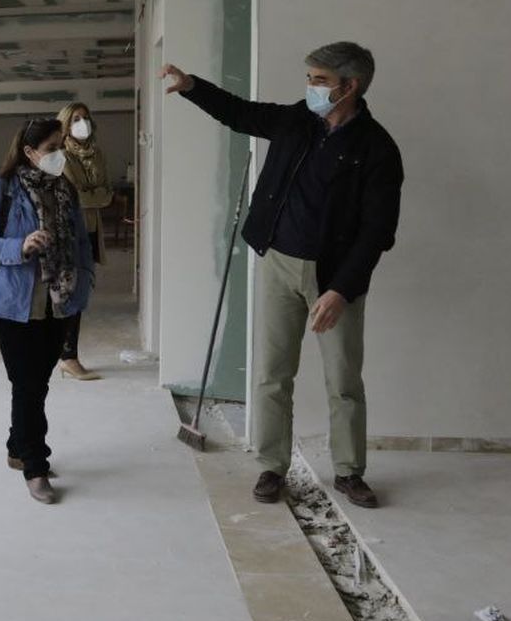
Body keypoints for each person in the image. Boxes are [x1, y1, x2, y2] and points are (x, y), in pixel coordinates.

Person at [162, 43, 402, 509]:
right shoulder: (296, 121)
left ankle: (350, 473)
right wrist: (192, 87)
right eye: (310, 78)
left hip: (336, 278)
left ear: (348, 86)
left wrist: (340, 290)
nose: (309, 87)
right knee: (272, 374)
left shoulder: (377, 148)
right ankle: (272, 467)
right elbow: (241, 114)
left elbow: (378, 231)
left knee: (344, 381)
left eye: (318, 79)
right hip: (278, 264)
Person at [0, 118, 95, 505]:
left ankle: (16, 447)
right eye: (52, 147)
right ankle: (35, 467)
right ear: (29, 152)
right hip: (12, 304)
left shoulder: (65, 189)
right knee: (27, 386)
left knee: (37, 383)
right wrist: (18, 246)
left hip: (60, 302)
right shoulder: (0, 189)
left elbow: (81, 242)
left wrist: (84, 283)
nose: (59, 154)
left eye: (62, 146)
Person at [55, 101, 112, 381]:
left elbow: (107, 194)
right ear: (65, 125)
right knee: (69, 293)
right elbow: (75, 197)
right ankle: (68, 356)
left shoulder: (96, 154)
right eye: (76, 118)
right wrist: (92, 194)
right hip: (69, 232)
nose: (82, 123)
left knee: (81, 293)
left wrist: (92, 194)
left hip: (89, 230)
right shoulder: (60, 156)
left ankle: (68, 355)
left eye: (86, 118)